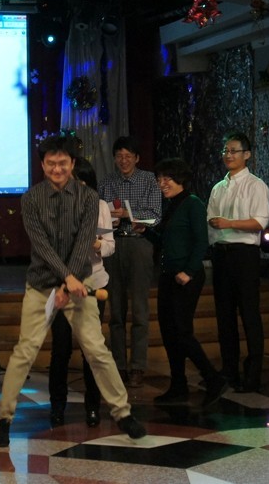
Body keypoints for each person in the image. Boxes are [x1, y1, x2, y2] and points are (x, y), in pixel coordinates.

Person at [0, 135, 145, 448]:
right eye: (51, 163)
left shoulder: (89, 198)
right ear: (42, 165)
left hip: (79, 284)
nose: (57, 169)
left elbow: (83, 242)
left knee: (96, 349)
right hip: (41, 284)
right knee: (25, 350)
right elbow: (41, 246)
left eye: (62, 163)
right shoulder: (31, 199)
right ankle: (3, 418)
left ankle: (122, 412)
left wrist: (68, 284)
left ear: (72, 164)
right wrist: (64, 280)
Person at [138, 158, 224, 406]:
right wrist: (146, 231)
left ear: (180, 179)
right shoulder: (172, 205)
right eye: (159, 179)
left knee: (182, 332)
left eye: (167, 178)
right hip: (168, 275)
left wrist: (189, 271)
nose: (161, 183)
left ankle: (213, 379)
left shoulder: (193, 204)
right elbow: (165, 241)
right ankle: (178, 384)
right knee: (168, 332)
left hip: (187, 277)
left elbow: (201, 241)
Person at [48, 156, 112, 428]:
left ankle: (93, 407)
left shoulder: (100, 206)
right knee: (61, 348)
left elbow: (110, 246)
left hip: (94, 283)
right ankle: (57, 407)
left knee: (91, 350)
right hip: (63, 285)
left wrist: (97, 244)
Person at [206, 132, 269, 393]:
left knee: (249, 314)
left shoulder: (256, 185)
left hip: (244, 255)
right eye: (225, 150)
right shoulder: (218, 187)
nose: (228, 155)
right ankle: (229, 370)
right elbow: (211, 221)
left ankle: (253, 375)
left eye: (234, 151)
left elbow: (259, 222)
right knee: (224, 315)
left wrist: (229, 224)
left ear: (247, 154)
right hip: (221, 254)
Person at [97, 135, 162, 387]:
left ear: (137, 158)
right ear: (114, 158)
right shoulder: (106, 182)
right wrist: (109, 221)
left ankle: (137, 366)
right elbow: (99, 217)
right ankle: (119, 365)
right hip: (112, 244)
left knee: (139, 309)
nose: (123, 160)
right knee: (115, 310)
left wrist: (127, 214)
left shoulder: (148, 180)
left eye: (128, 156)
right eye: (119, 156)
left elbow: (155, 216)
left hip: (139, 244)